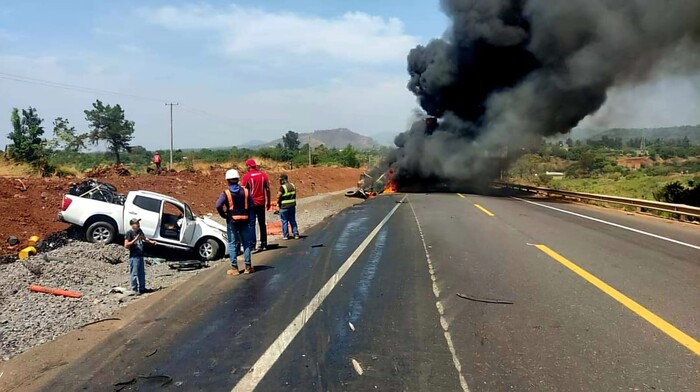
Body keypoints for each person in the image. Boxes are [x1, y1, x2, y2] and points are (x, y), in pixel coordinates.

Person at [216, 169, 255, 275]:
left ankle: (235, 268)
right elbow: (252, 206)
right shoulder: (246, 191)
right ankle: (248, 267)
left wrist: (224, 215)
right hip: (245, 221)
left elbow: (218, 205)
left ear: (228, 181)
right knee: (246, 244)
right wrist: (251, 219)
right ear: (238, 179)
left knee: (232, 244)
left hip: (232, 221)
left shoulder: (226, 193)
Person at [241, 159, 271, 251]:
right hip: (261, 202)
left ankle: (252, 245)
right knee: (262, 224)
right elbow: (268, 189)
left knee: (251, 224)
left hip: (252, 204)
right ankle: (264, 243)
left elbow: (243, 191)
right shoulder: (263, 175)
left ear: (249, 166)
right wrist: (268, 201)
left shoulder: (247, 176)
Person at [124, 218, 157, 294]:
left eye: (138, 223)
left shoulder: (140, 231)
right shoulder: (129, 233)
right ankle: (134, 289)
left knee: (141, 273)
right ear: (132, 225)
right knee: (134, 273)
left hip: (140, 255)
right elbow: (126, 245)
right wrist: (135, 239)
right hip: (134, 256)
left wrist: (151, 242)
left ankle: (142, 288)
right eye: (136, 223)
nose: (138, 224)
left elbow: (144, 239)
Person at [277, 173, 299, 240]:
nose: (280, 181)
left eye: (280, 180)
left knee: (284, 221)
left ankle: (286, 235)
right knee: (292, 219)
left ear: (283, 180)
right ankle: (295, 233)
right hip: (292, 205)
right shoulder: (293, 185)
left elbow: (278, 196)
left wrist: (278, 202)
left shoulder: (282, 187)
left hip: (284, 206)